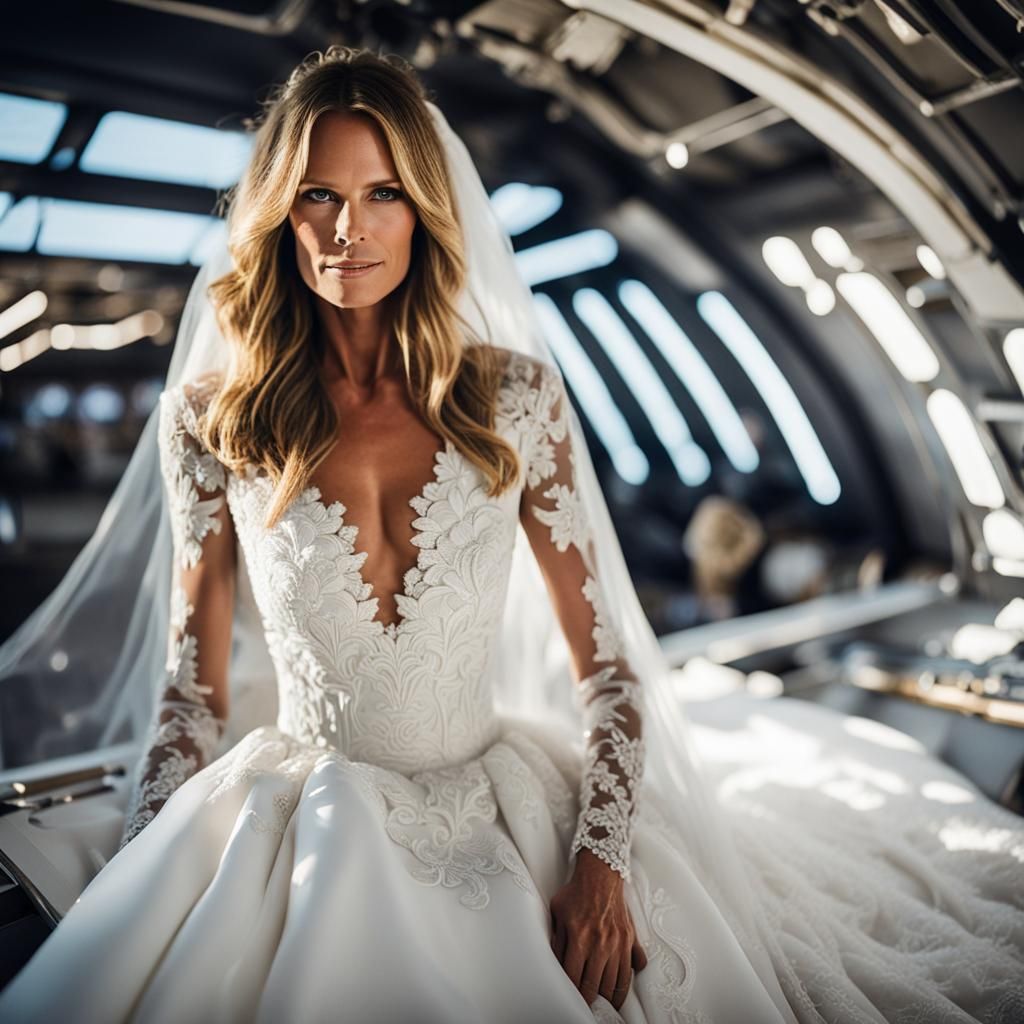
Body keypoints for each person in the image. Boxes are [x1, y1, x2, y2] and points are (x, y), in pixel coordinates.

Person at [1, 46, 1022, 1024]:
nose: (345, 230)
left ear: (424, 213)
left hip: (508, 803)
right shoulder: (209, 419)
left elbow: (611, 670)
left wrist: (601, 857)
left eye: (380, 193)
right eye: (317, 194)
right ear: (277, 212)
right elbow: (193, 685)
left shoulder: (518, 400)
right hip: (306, 808)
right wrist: (149, 854)